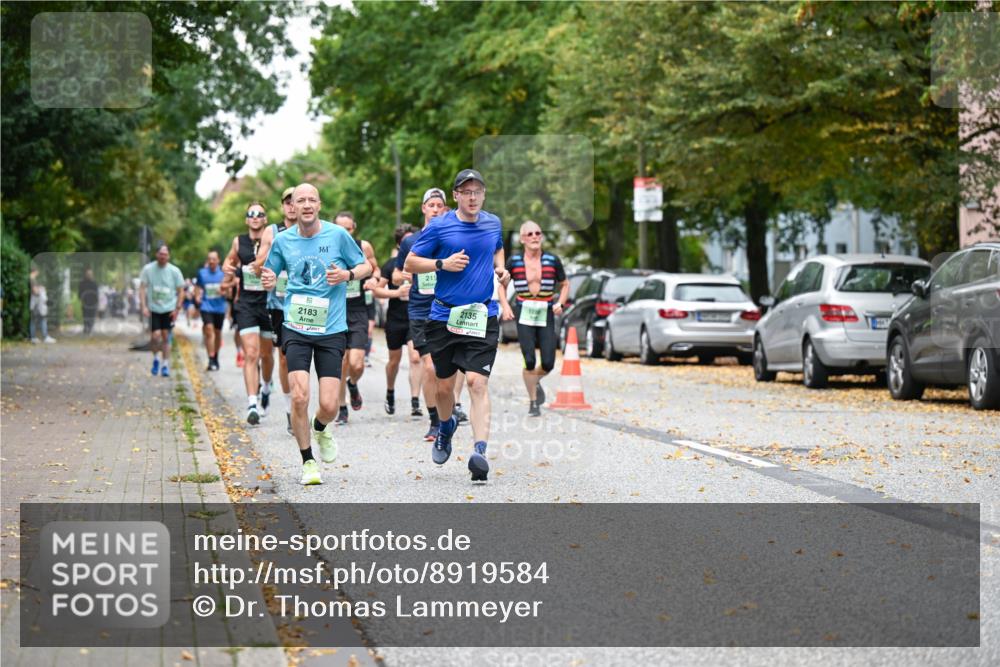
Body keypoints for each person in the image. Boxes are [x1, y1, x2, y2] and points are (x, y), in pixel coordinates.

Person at [260, 183, 370, 485]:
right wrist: (268, 279)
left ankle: (320, 427)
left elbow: (365, 266)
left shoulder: (337, 235)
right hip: (295, 325)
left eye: (312, 200)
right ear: (292, 207)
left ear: (319, 205)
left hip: (332, 328)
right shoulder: (282, 241)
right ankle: (308, 461)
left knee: (330, 405)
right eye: (300, 200)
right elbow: (269, 274)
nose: (306, 205)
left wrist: (348, 274)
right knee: (299, 395)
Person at [404, 169, 509, 482]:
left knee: (477, 381)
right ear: (456, 196)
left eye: (477, 191)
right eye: (466, 191)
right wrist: (442, 264)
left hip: (482, 314)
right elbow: (411, 262)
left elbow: (498, 247)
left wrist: (500, 269)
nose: (473, 196)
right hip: (444, 317)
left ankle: (479, 452)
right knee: (444, 386)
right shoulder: (440, 227)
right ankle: (446, 427)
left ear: (484, 195)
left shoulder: (493, 223)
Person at [393, 188, 448, 440]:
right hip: (419, 309)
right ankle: (435, 420)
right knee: (429, 367)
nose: (436, 209)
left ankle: (448, 411)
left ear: (445, 209)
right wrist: (402, 275)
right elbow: (396, 273)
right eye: (431, 205)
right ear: (423, 209)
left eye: (440, 205)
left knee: (445, 369)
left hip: (447, 308)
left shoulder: (452, 238)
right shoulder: (409, 241)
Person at [499, 220, 569, 416]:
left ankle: (535, 380)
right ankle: (533, 402)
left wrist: (560, 303)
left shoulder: (552, 260)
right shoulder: (514, 261)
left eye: (538, 233)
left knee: (548, 362)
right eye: (529, 234)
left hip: (545, 309)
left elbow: (564, 284)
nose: (534, 237)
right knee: (529, 359)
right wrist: (505, 306)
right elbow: (501, 286)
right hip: (524, 309)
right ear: (522, 239)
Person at [223, 202, 276, 425]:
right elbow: (229, 261)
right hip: (245, 304)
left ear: (265, 219)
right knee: (251, 353)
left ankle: (266, 386)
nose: (255, 217)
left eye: (259, 214)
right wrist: (230, 269)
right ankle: (252, 403)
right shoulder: (239, 241)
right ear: (246, 219)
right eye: (251, 214)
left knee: (266, 355)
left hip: (268, 303)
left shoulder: (272, 240)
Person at [252, 186, 298, 434]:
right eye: (287, 202)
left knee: (302, 356)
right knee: (283, 356)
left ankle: (300, 399)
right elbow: (259, 266)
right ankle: (291, 409)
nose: (292, 206)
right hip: (279, 303)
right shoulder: (272, 231)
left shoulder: (311, 229)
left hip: (304, 303)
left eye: (296, 201)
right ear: (282, 206)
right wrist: (268, 256)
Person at [331, 211, 380, 425]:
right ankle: (342, 408)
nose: (344, 233)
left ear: (354, 228)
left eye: (348, 229)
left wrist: (375, 279)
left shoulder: (364, 246)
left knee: (356, 363)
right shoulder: (328, 247)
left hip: (358, 311)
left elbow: (375, 267)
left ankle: (353, 383)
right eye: (340, 229)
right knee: (340, 362)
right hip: (336, 311)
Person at [375, 224, 422, 415]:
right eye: (406, 242)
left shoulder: (422, 262)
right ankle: (390, 391)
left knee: (415, 357)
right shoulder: (391, 264)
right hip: (395, 318)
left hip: (415, 316)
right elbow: (378, 291)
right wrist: (396, 293)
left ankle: (415, 401)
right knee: (394, 361)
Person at [139, 245, 184, 376]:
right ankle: (156, 359)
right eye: (160, 254)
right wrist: (143, 306)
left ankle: (165, 364)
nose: (163, 256)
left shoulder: (174, 271)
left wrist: (177, 309)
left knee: (165, 337)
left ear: (168, 256)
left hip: (169, 309)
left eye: (165, 254)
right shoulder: (148, 269)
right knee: (155, 336)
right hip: (154, 309)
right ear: (156, 254)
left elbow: (181, 291)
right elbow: (142, 288)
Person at [195, 250, 227, 370]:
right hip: (206, 306)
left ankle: (216, 357)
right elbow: (198, 287)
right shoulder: (202, 273)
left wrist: (225, 291)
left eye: (214, 259)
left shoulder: (223, 274)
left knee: (218, 333)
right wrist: (197, 296)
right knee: (209, 330)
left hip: (219, 307)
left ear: (218, 260)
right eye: (210, 259)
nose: (212, 261)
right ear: (207, 261)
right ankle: (210, 358)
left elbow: (228, 291)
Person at [29, 270, 56, 344]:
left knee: (36, 320)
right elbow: (35, 292)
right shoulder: (32, 279)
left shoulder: (32, 280)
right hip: (37, 305)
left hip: (36, 304)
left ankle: (35, 337)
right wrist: (41, 289)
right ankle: (42, 337)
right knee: (40, 320)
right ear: (35, 271)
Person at [78, 268, 99, 335]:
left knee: (91, 316)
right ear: (85, 274)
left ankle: (90, 328)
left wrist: (97, 302)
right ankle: (86, 327)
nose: (89, 275)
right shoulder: (82, 283)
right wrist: (81, 299)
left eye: (90, 274)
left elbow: (96, 293)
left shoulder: (94, 283)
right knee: (85, 315)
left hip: (93, 302)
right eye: (88, 274)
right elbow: (80, 292)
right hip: (85, 302)